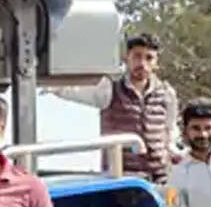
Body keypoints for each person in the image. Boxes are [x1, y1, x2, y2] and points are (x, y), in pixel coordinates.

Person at [48, 33, 180, 183]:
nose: (142, 63)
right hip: (121, 177)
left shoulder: (166, 94)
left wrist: (176, 155)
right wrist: (48, 81)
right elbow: (71, 89)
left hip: (160, 177)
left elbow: (170, 132)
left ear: (156, 63)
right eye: (137, 56)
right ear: (127, 58)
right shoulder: (110, 88)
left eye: (149, 58)